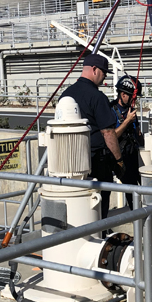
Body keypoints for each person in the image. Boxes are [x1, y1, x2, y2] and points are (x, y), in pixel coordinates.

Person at [60, 53, 124, 218]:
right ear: (95, 70)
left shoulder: (65, 95)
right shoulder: (97, 97)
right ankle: (100, 233)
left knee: (77, 201)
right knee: (99, 200)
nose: (104, 79)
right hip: (96, 160)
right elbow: (108, 133)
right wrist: (118, 160)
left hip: (69, 162)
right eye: (103, 73)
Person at [111, 75, 144, 209]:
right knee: (131, 189)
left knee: (145, 184)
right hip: (120, 158)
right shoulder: (111, 110)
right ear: (123, 94)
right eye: (132, 97)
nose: (134, 101)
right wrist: (127, 122)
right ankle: (136, 216)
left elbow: (137, 133)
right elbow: (111, 136)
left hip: (134, 155)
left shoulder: (131, 111)